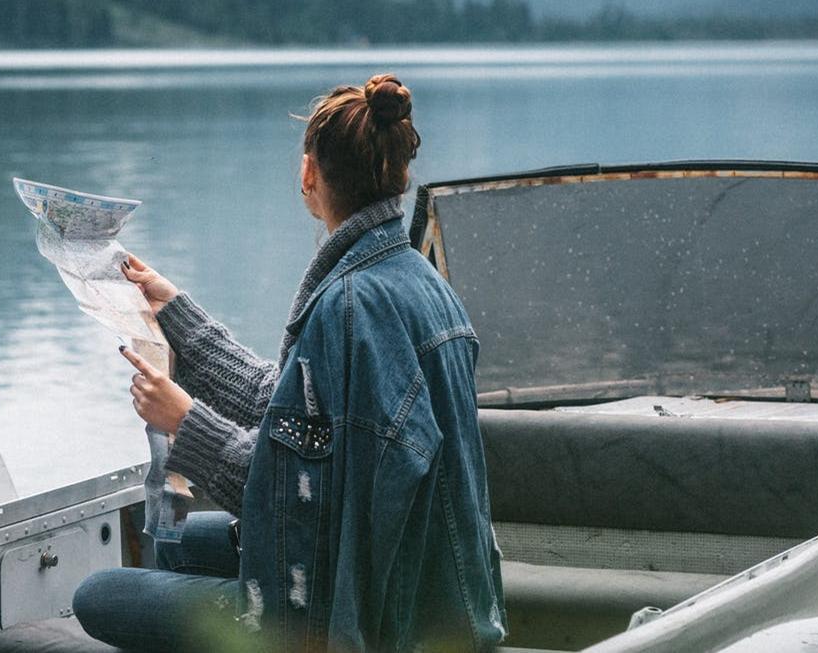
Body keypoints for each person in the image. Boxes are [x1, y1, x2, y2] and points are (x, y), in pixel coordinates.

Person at [73, 73, 507, 652]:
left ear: (310, 173)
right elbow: (302, 418)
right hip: (439, 594)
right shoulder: (419, 283)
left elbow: (293, 497)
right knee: (174, 542)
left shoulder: (347, 307)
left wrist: (185, 424)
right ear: (397, 175)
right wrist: (176, 313)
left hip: (361, 615)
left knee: (96, 594)